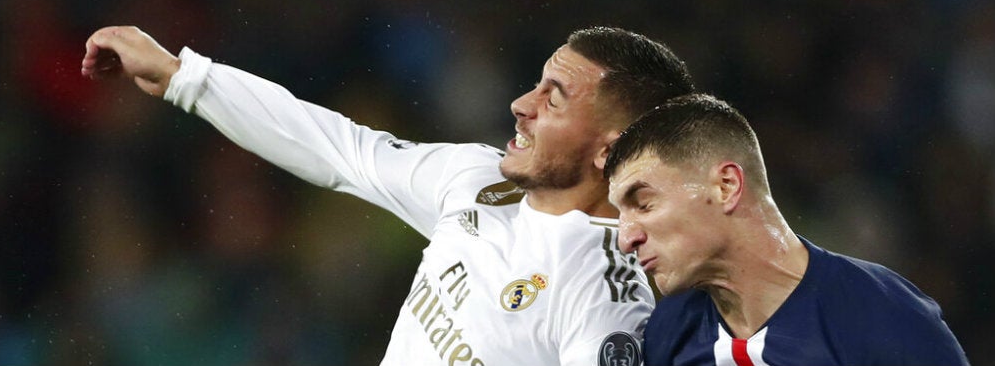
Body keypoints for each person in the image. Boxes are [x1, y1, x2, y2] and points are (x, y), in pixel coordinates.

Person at [80, 24, 696, 366]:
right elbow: (340, 149)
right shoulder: (478, 181)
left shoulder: (609, 291)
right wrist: (183, 78)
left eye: (553, 98)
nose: (521, 105)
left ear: (609, 151)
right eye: (537, 85)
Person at [605, 93, 970, 366]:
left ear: (726, 186)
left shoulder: (883, 318)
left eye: (643, 203)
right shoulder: (667, 333)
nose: (626, 238)